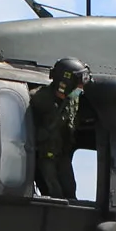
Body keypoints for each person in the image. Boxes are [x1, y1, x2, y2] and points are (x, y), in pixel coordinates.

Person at [30, 57, 89, 198]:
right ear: (65, 83)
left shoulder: (72, 100)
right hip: (45, 155)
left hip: (62, 154)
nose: (80, 90)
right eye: (78, 86)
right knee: (54, 193)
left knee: (70, 190)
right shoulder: (39, 99)